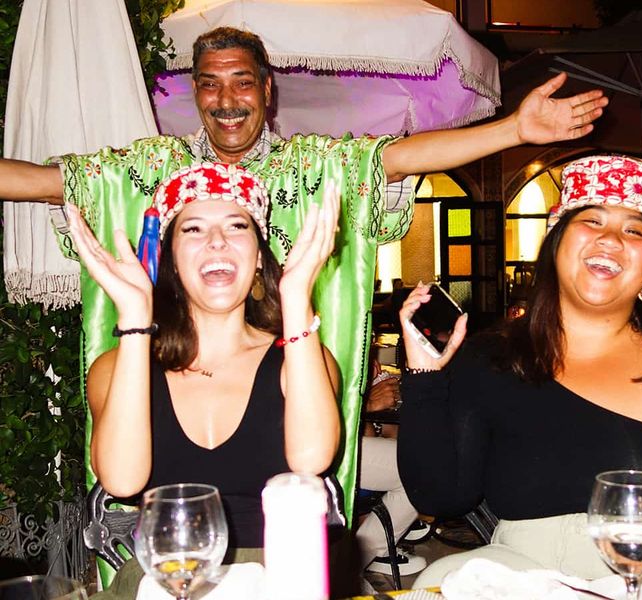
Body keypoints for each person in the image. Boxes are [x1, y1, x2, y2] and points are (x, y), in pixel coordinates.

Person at [0, 27, 608, 518]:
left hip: (286, 386)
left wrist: (514, 131)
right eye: (209, 84)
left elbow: (398, 158)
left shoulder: (314, 169)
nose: (226, 99)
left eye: (242, 81)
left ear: (267, 90)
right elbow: (43, 182)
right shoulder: (147, 170)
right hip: (164, 384)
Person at [397, 155, 642, 586]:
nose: (610, 239)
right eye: (592, 221)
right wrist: (425, 379)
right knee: (440, 581)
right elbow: (441, 496)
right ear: (555, 244)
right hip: (529, 576)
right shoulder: (489, 358)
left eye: (634, 230)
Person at [69, 163, 340, 596]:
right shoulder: (116, 367)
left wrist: (295, 299)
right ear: (173, 263)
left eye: (237, 226)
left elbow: (311, 460)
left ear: (258, 257)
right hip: (162, 581)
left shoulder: (302, 358)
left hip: (277, 578)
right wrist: (136, 322)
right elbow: (121, 481)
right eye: (193, 229)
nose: (216, 240)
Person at [357, 355, 426, 577]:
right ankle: (356, 560)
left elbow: (388, 438)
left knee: (421, 463)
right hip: (306, 450)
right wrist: (366, 403)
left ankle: (363, 553)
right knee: (419, 467)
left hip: (345, 444)